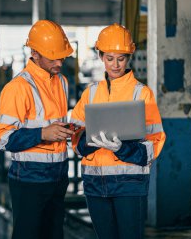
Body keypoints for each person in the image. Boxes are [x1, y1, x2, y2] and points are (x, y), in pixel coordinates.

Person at [70, 23, 166, 239]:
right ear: (100, 56)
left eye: (121, 58)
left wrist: (123, 148)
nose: (115, 65)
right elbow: (74, 138)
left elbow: (156, 141)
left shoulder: (142, 93)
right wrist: (88, 141)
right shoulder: (91, 93)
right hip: (95, 185)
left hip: (129, 185)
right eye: (110, 58)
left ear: (129, 57)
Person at [0, 19, 75, 239]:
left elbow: (54, 121)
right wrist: (42, 134)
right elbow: (1, 139)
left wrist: (68, 131)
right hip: (29, 180)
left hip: (58, 177)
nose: (59, 62)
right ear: (35, 54)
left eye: (62, 56)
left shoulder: (62, 82)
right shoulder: (17, 88)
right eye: (53, 57)